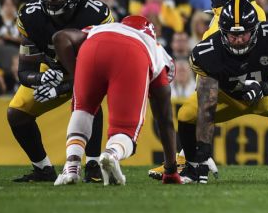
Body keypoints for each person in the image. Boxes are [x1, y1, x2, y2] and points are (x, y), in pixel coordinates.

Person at [159, 0, 268, 183]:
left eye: (243, 35)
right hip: (227, 97)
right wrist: (203, 154)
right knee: (186, 114)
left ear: (255, 30)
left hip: (262, 95)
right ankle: (192, 167)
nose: (238, 40)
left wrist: (264, 87)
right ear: (222, 32)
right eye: (232, 35)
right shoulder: (208, 53)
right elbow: (207, 106)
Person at [7, 0, 115, 183]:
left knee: (88, 98)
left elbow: (96, 70)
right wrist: (40, 78)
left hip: (87, 70)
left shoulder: (94, 14)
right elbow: (24, 71)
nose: (50, 0)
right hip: (54, 70)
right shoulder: (32, 16)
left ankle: (93, 164)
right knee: (16, 114)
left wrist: (60, 87)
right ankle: (43, 169)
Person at [52, 15, 183, 185]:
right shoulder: (155, 48)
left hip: (93, 47)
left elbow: (60, 38)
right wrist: (171, 171)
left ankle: (71, 166)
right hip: (133, 53)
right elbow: (165, 121)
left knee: (82, 110)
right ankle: (111, 154)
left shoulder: (100, 28)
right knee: (125, 129)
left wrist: (76, 76)